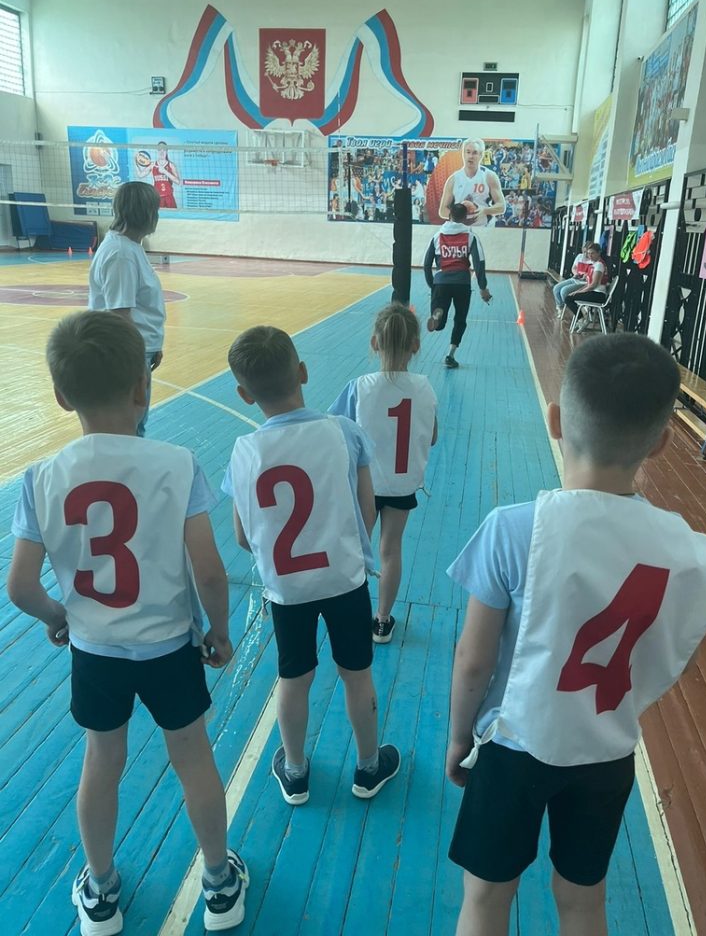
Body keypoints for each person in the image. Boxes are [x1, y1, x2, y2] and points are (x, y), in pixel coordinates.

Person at [444, 333, 706, 936]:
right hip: (605, 751)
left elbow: (473, 660)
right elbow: (674, 651)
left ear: (555, 420)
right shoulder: (692, 554)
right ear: (661, 443)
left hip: (514, 747)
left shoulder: (513, 530)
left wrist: (459, 735)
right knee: (583, 898)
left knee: (486, 897)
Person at [6, 310, 247, 935]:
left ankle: (101, 891)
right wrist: (219, 631)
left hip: (96, 652)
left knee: (102, 760)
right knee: (192, 757)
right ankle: (220, 883)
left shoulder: (41, 477)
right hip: (168, 648)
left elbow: (21, 586)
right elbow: (210, 571)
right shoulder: (177, 463)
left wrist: (60, 617)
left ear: (61, 397)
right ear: (143, 386)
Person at [223, 326, 400, 806]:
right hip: (345, 580)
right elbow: (367, 510)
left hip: (288, 591)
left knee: (294, 678)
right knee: (356, 674)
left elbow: (241, 536)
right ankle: (369, 766)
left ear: (244, 394)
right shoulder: (343, 431)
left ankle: (295, 771)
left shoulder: (243, 452)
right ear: (302, 371)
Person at [328, 304, 438, 644]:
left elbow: (334, 430)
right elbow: (432, 436)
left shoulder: (359, 387)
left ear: (374, 343)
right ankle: (382, 620)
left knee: (357, 549)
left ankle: (351, 615)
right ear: (415, 345)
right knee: (391, 550)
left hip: (365, 484)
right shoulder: (425, 388)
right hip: (402, 485)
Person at [88, 181, 165, 437]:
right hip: (126, 354)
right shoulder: (121, 254)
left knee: (134, 425)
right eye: (155, 209)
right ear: (146, 213)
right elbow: (120, 317)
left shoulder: (130, 246)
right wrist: (136, 358)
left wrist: (153, 345)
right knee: (129, 427)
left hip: (138, 350)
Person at [424, 202, 492, 368]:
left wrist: (432, 285)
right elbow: (479, 263)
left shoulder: (437, 235)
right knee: (460, 319)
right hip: (462, 283)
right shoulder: (471, 236)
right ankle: (450, 355)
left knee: (439, 325)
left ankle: (437, 316)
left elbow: (426, 264)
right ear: (465, 217)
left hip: (441, 282)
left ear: (449, 216)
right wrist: (483, 288)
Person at [439, 138, 505, 227]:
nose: (471, 156)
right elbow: (442, 211)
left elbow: (501, 206)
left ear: (481, 155)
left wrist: (485, 210)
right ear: (463, 154)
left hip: (484, 227)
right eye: (468, 152)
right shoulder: (453, 179)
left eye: (475, 153)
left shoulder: (489, 176)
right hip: (460, 228)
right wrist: (459, 216)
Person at [564, 247, 610, 332]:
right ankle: (582, 320)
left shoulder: (599, 265)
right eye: (588, 253)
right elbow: (588, 284)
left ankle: (582, 320)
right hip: (593, 292)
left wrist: (579, 292)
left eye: (592, 253)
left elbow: (593, 285)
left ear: (598, 253)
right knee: (569, 297)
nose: (590, 255)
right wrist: (577, 291)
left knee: (568, 299)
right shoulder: (594, 265)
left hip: (598, 295)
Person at [553, 242, 600, 316]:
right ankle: (560, 307)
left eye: (588, 253)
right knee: (556, 288)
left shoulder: (594, 261)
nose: (586, 254)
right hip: (575, 279)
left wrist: (586, 276)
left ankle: (574, 309)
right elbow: (573, 268)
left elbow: (592, 276)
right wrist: (576, 274)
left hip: (583, 283)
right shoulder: (580, 256)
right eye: (584, 252)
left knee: (564, 291)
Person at [136, 141, 181, 209]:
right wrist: (136, 163)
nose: (162, 152)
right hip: (157, 197)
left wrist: (165, 171)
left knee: (173, 214)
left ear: (167, 151)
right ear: (157, 151)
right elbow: (140, 175)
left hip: (169, 197)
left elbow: (178, 181)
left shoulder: (171, 165)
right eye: (160, 149)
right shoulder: (153, 165)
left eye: (164, 149)